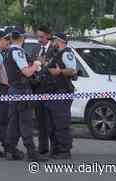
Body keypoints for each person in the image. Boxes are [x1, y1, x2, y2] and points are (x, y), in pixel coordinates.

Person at [5, 29, 48, 162]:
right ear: (22, 38)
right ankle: (31, 152)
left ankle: (10, 149)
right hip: (22, 90)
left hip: (13, 89)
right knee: (26, 121)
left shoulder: (8, 52)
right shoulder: (18, 51)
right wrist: (37, 64)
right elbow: (27, 73)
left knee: (14, 122)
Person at [45, 32, 77, 159]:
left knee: (61, 123)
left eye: (54, 41)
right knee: (52, 124)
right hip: (53, 92)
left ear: (60, 41)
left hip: (62, 92)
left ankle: (64, 150)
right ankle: (55, 149)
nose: (52, 43)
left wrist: (59, 71)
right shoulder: (56, 54)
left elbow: (72, 71)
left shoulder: (67, 53)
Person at [31, 25, 55, 155]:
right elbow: (31, 64)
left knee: (52, 120)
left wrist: (45, 63)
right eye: (38, 36)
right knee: (40, 120)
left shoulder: (54, 49)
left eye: (42, 37)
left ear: (48, 35)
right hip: (38, 88)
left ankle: (54, 148)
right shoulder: (35, 49)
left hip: (52, 89)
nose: (39, 39)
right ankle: (42, 147)